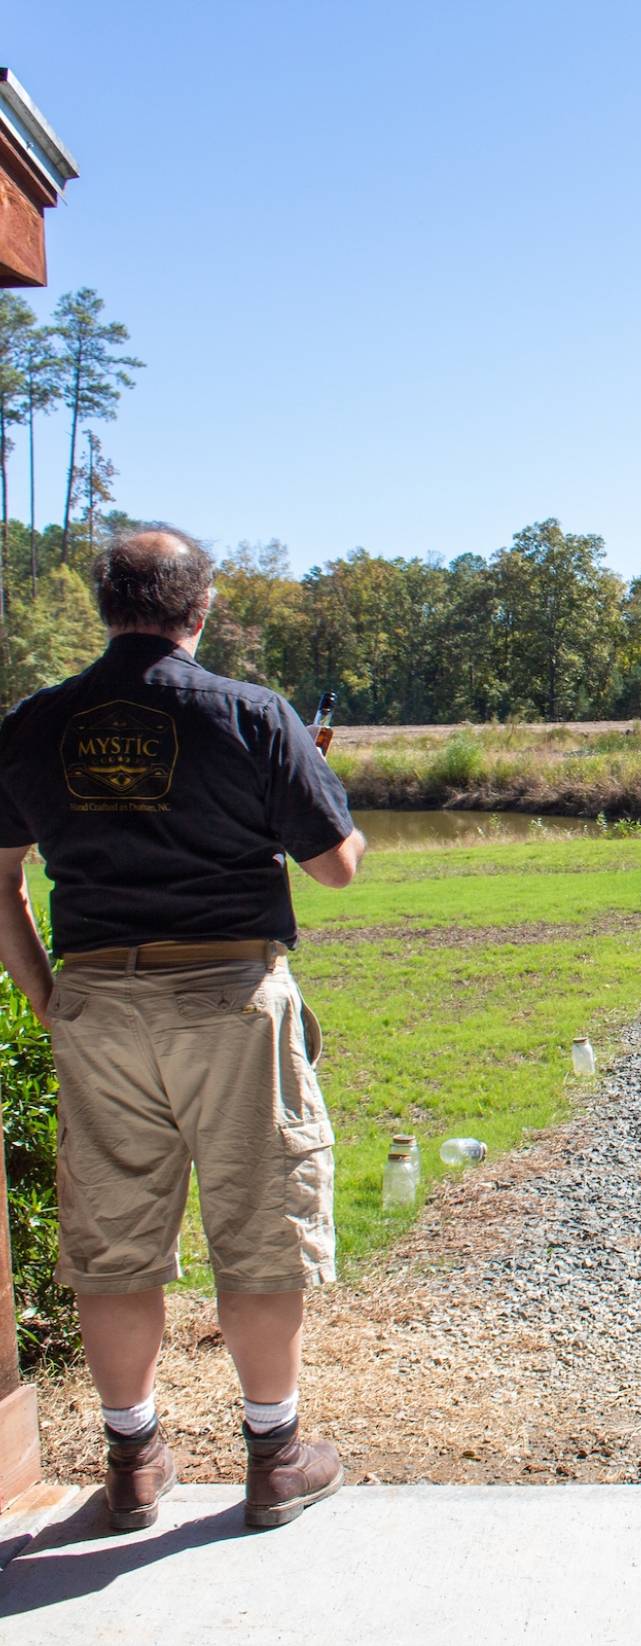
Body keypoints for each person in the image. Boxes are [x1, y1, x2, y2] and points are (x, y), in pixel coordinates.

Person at [0, 527, 366, 1531]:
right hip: (230, 1006)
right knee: (258, 1233)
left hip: (99, 1003)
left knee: (112, 1246)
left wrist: (48, 997)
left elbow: (0, 881)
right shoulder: (252, 715)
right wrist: (339, 812)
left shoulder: (33, 723)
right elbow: (336, 865)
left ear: (105, 606)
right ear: (196, 610)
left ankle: (133, 1462)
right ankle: (276, 1452)